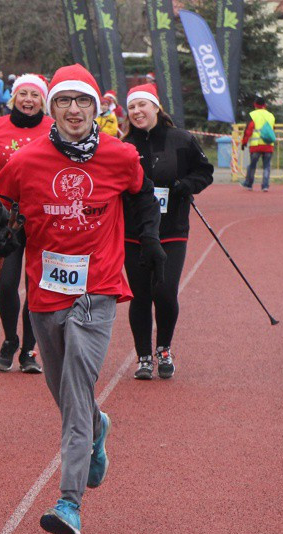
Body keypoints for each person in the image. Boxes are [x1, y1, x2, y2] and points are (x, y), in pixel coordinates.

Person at [0, 64, 165, 534]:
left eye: (82, 101)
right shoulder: (26, 160)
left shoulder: (119, 156)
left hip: (96, 289)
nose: (74, 110)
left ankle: (69, 502)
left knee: (78, 387)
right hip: (43, 292)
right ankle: (97, 427)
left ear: (96, 108)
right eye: (64, 102)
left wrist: (149, 238)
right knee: (66, 395)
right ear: (52, 109)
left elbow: (142, 196)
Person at [123, 83, 214, 379]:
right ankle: (144, 357)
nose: (137, 111)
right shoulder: (123, 146)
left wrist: (186, 186)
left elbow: (204, 172)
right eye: (132, 107)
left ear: (156, 107)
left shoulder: (182, 140)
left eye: (142, 105)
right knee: (140, 295)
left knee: (164, 291)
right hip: (133, 231)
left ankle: (164, 347)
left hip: (172, 228)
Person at [0, 74, 54, 373]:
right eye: (23, 94)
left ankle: (28, 350)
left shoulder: (53, 128)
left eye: (35, 95)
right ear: (13, 97)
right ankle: (10, 340)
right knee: (7, 285)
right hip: (7, 218)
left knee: (37, 286)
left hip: (44, 217)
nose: (28, 100)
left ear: (43, 100)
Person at [240, 96, 275, 192]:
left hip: (256, 145)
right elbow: (272, 129)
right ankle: (265, 186)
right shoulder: (270, 115)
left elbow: (248, 131)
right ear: (265, 105)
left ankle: (249, 184)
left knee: (252, 165)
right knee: (266, 166)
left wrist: (244, 143)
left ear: (255, 105)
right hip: (268, 145)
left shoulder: (253, 115)